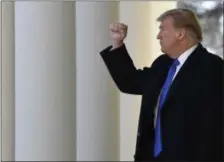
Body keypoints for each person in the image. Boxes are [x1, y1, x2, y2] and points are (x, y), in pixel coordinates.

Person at [99, 8, 223, 161]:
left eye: (163, 29)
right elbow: (131, 83)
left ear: (180, 33)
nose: (158, 36)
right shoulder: (162, 64)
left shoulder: (212, 67)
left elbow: (213, 127)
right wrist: (117, 44)